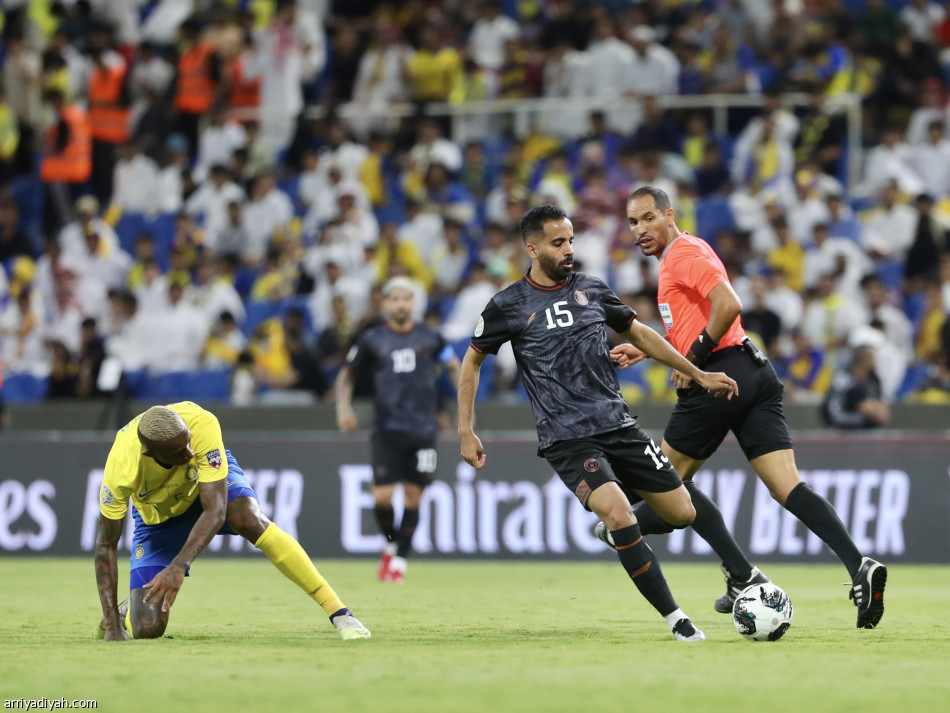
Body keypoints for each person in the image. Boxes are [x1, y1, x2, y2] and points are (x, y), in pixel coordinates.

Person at [458, 204, 740, 642]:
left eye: (570, 239)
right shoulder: (507, 305)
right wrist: (465, 428)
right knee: (619, 513)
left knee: (682, 512)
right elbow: (471, 362)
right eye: (558, 243)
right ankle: (676, 618)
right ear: (532, 248)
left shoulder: (592, 288)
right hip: (567, 437)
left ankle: (619, 519)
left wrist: (699, 372)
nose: (569, 249)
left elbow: (640, 334)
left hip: (618, 425)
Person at [614, 186, 887, 629]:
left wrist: (695, 361)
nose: (639, 229)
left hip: (719, 378)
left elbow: (729, 306)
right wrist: (652, 350)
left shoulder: (682, 253)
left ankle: (736, 573)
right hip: (753, 372)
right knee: (786, 486)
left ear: (670, 215)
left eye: (648, 218)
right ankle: (859, 567)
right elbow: (699, 322)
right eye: (632, 222)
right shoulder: (681, 257)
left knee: (664, 489)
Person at [94, 402, 370, 641]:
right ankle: (125, 610)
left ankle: (340, 613)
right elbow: (106, 545)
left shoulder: (202, 423)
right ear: (150, 455)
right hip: (158, 519)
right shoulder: (121, 468)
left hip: (206, 491)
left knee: (250, 518)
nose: (190, 454)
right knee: (146, 629)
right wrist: (113, 626)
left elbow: (215, 510)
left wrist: (179, 566)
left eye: (188, 442)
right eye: (179, 452)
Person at [335, 277, 460, 584]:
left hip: (423, 429)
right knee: (381, 497)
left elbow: (454, 366)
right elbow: (346, 375)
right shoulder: (372, 340)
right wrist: (343, 409)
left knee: (414, 498)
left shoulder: (431, 338)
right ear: (386, 304)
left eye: (407, 298)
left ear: (413, 304)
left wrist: (461, 409)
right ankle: (393, 543)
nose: (402, 304)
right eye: (396, 299)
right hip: (387, 428)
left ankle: (399, 560)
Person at [821, 344, 891, 430]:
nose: (876, 361)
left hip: (870, 429)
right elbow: (834, 411)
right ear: (864, 360)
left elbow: (881, 408)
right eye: (872, 358)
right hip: (845, 429)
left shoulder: (874, 379)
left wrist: (875, 410)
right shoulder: (843, 379)